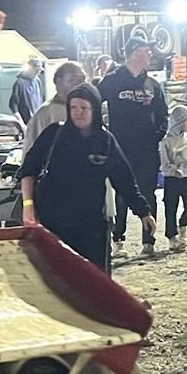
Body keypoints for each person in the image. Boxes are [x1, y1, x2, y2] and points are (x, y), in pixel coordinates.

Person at [18, 82, 155, 270]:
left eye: (84, 107)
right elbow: (28, 171)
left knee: (95, 284)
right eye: (73, 107)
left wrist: (143, 212)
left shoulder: (105, 141)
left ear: (95, 110)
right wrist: (28, 206)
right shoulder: (53, 135)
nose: (78, 112)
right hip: (53, 226)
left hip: (92, 230)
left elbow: (124, 180)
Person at [98, 37, 168, 259]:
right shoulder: (112, 80)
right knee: (122, 194)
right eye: (147, 52)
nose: (150, 56)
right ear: (135, 53)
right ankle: (118, 241)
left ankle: (149, 241)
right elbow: (93, 102)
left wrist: (157, 134)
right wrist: (103, 134)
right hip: (121, 150)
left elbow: (163, 114)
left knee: (148, 194)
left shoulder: (152, 85)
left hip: (147, 151)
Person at [23, 61, 88, 152]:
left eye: (83, 80)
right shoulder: (45, 114)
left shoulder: (89, 110)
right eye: (73, 80)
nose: (80, 85)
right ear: (58, 81)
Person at [159, 103, 187, 252]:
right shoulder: (165, 141)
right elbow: (164, 164)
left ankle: (183, 225)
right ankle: (172, 237)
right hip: (172, 180)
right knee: (171, 208)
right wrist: (175, 170)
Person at [9, 57, 45, 125]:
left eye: (39, 71)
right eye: (36, 70)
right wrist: (21, 123)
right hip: (27, 122)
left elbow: (42, 99)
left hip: (38, 120)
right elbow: (13, 104)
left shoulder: (37, 81)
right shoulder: (19, 83)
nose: (37, 73)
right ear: (29, 68)